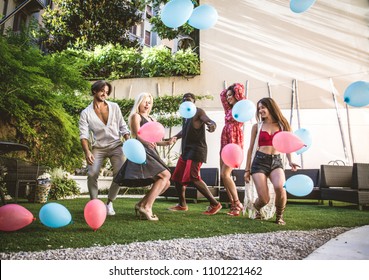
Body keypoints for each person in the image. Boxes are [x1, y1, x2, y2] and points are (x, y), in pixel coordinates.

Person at [114, 92, 175, 221]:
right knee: (166, 175)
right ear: (139, 102)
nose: (147, 104)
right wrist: (148, 142)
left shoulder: (152, 119)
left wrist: (167, 142)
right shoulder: (136, 116)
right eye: (145, 101)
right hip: (142, 152)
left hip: (152, 152)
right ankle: (147, 207)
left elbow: (156, 140)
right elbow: (138, 135)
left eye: (149, 102)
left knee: (166, 183)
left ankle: (141, 204)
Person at [244, 97, 299, 225]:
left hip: (276, 161)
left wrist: (290, 161)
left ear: (271, 107)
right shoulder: (257, 127)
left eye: (263, 107)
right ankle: (256, 208)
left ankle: (279, 216)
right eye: (259, 109)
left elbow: (287, 144)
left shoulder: (282, 125)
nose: (260, 110)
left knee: (280, 187)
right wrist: (247, 170)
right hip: (259, 162)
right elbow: (250, 148)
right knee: (264, 199)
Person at [79, 80, 130, 216]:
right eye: (102, 91)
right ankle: (95, 205)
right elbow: (83, 135)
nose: (104, 94)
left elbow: (123, 127)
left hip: (116, 146)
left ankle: (109, 203)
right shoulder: (86, 113)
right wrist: (87, 151)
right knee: (92, 174)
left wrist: (129, 142)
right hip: (98, 147)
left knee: (119, 174)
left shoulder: (115, 107)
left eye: (107, 92)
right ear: (94, 91)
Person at [168, 93, 222, 215]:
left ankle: (215, 204)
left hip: (197, 150)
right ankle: (182, 205)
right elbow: (185, 130)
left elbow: (208, 120)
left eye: (189, 100)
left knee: (193, 177)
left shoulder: (198, 112)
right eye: (184, 100)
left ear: (193, 102)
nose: (186, 102)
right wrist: (175, 137)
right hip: (186, 151)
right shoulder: (185, 115)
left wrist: (212, 125)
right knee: (177, 178)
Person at [220, 83, 246, 216]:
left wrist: (235, 88)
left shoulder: (241, 108)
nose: (228, 97)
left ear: (237, 95)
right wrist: (228, 90)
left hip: (234, 140)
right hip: (225, 139)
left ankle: (237, 203)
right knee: (223, 175)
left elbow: (240, 93)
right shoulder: (228, 109)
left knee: (226, 173)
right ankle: (232, 205)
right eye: (228, 95)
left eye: (231, 95)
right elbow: (222, 95)